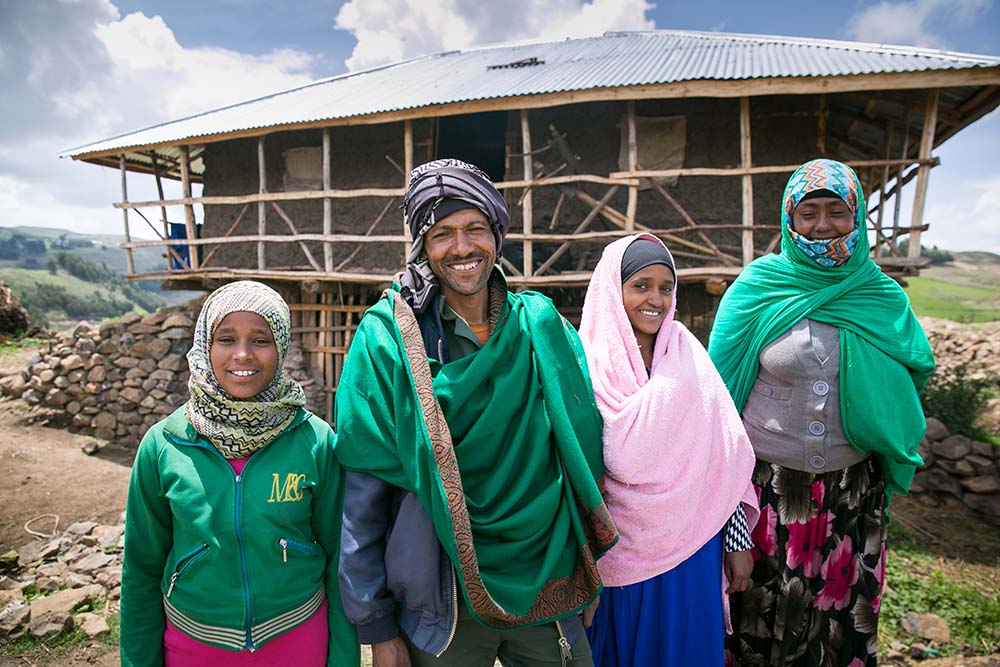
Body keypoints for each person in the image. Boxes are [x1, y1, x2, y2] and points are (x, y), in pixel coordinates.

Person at [334, 158, 618, 667]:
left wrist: (585, 571)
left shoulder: (539, 327)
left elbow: (580, 456)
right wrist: (374, 621)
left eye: (475, 229)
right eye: (442, 234)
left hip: (548, 583)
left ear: (497, 234)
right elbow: (364, 492)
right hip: (442, 603)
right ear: (422, 245)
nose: (462, 248)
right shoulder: (388, 340)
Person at [708, 159, 935, 667]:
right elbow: (715, 401)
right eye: (808, 212)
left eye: (837, 211)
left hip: (851, 494)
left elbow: (911, 368)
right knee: (758, 623)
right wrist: (729, 521)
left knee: (836, 632)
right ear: (789, 219)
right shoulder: (757, 288)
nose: (823, 224)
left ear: (857, 218)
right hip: (765, 495)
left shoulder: (879, 295)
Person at [119, 281, 359, 667]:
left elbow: (339, 562)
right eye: (226, 339)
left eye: (260, 340)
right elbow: (141, 569)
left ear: (280, 347)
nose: (242, 355)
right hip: (192, 643)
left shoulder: (315, 442)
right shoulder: (163, 445)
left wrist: (343, 658)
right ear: (204, 347)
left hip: (297, 638)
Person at [577, 234, 759, 666]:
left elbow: (722, 457)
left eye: (666, 287)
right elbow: (573, 471)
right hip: (615, 554)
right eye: (641, 285)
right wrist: (580, 572)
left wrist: (736, 541)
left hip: (691, 548)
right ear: (612, 289)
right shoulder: (584, 362)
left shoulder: (688, 357)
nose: (655, 298)